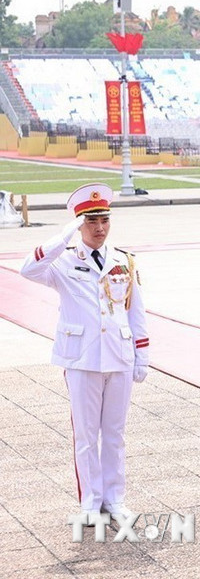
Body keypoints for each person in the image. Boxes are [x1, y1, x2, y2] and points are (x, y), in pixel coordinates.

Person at [20, 183, 149, 525]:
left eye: (104, 219)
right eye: (91, 221)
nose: (100, 227)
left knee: (115, 432)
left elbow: (135, 310)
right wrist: (62, 238)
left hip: (119, 356)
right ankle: (90, 502)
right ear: (79, 224)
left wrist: (142, 354)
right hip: (82, 359)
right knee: (86, 434)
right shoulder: (62, 261)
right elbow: (27, 270)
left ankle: (115, 499)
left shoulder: (124, 260)